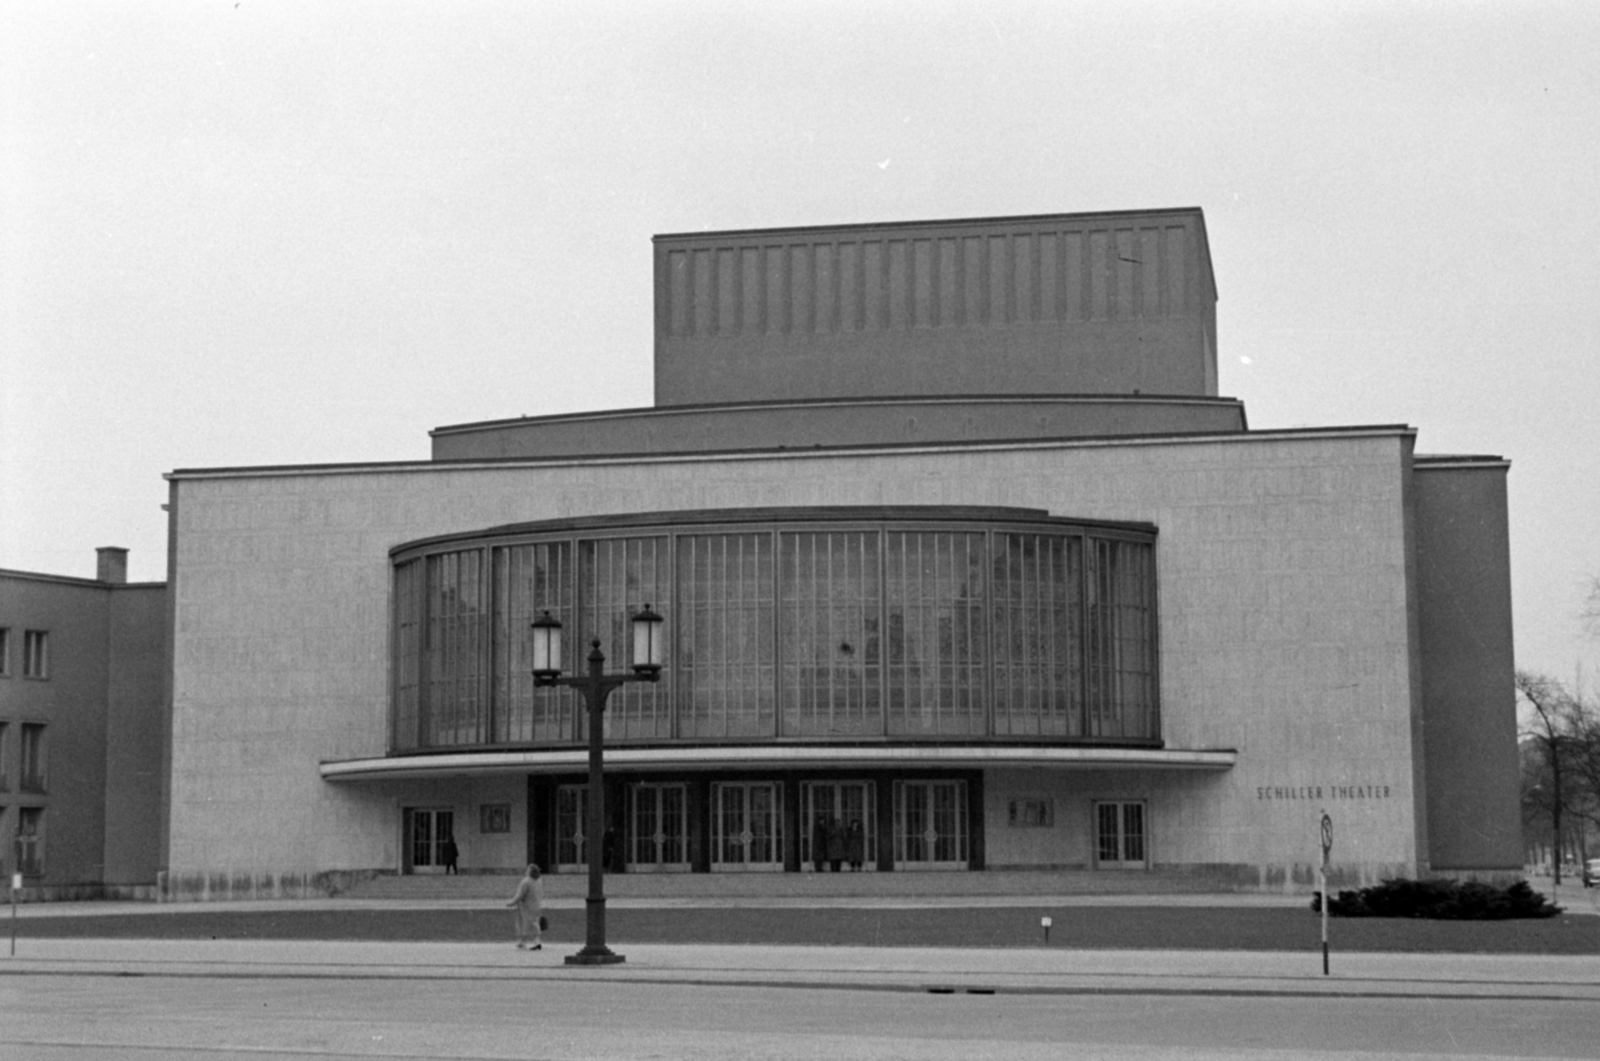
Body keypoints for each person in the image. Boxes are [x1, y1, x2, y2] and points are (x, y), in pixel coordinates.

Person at [506, 863, 544, 950]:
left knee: (525, 924)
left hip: (526, 906)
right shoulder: (538, 880)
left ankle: (530, 942)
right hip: (537, 905)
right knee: (534, 923)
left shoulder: (526, 881)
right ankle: (527, 941)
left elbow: (520, 894)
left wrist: (511, 903)